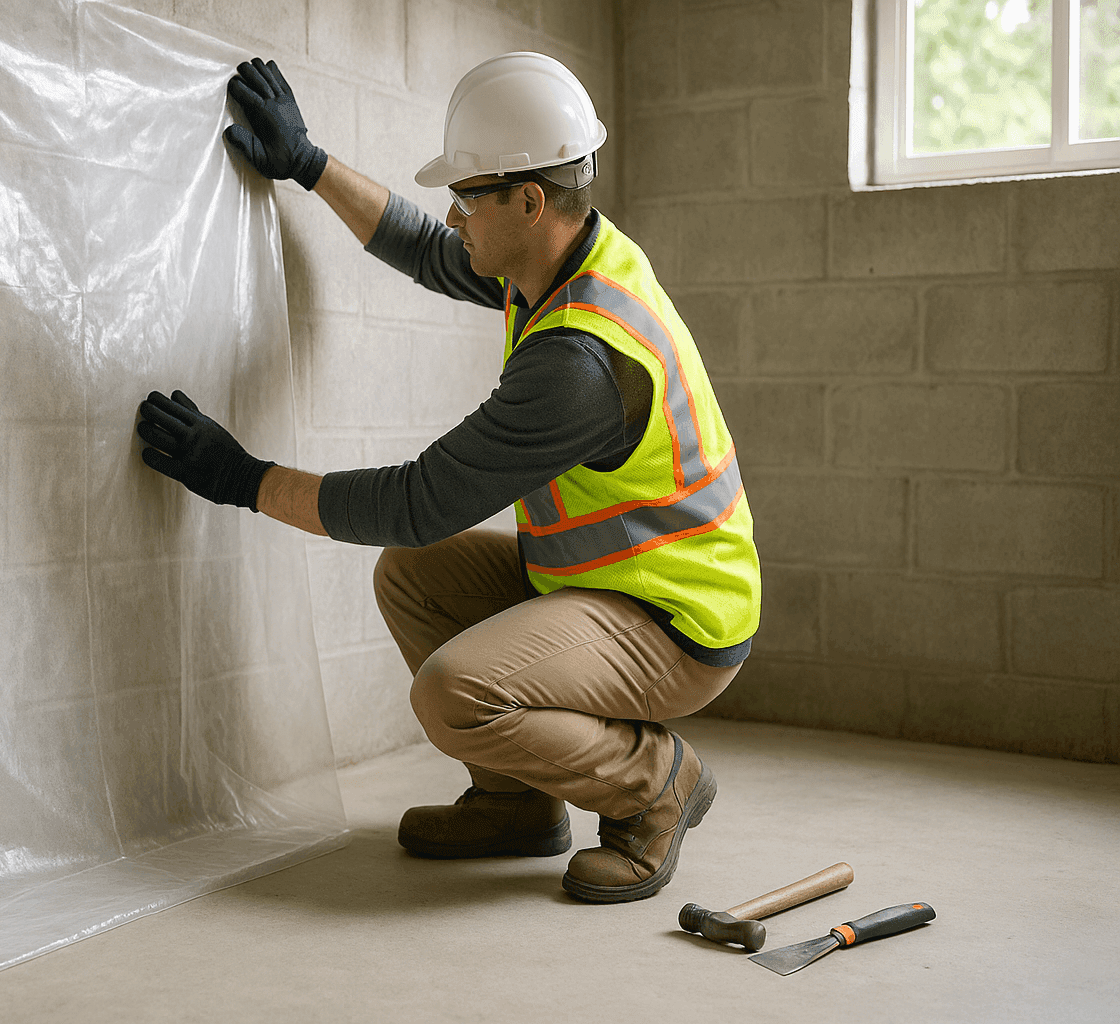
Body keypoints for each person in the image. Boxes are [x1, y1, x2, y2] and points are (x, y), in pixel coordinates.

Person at [136, 52, 761, 904]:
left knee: (453, 692)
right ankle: (516, 804)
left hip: (677, 619)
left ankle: (655, 781)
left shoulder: (580, 361)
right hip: (610, 580)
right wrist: (308, 164)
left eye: (468, 195)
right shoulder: (561, 257)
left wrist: (242, 477)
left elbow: (417, 501)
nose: (454, 213)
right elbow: (431, 251)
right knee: (413, 578)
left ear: (529, 201)